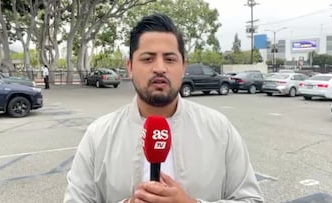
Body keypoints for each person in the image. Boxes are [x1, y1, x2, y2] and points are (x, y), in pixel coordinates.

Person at [64, 13, 264, 203]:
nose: (159, 68)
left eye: (169, 59)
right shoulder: (99, 135)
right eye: (148, 58)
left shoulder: (219, 129)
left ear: (184, 66)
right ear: (130, 67)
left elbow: (251, 198)